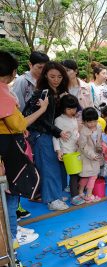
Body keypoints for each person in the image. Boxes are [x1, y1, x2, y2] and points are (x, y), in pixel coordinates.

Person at [0, 51, 48, 250]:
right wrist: (42, 109)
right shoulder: (4, 93)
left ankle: (11, 232)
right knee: (10, 194)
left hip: (7, 145)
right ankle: (10, 239)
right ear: (12, 73)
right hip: (8, 149)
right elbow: (19, 125)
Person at [23, 61, 70, 211]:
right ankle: (52, 200)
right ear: (45, 76)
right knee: (49, 167)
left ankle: (53, 195)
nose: (56, 80)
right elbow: (40, 119)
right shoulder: (44, 93)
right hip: (41, 135)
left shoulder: (52, 92)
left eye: (59, 77)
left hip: (46, 134)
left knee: (51, 166)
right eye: (52, 76)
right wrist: (58, 131)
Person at [53, 94, 84, 205]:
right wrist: (58, 150)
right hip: (66, 152)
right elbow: (55, 136)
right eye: (69, 108)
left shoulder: (74, 119)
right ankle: (74, 196)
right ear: (63, 108)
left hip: (75, 150)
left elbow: (75, 133)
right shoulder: (59, 120)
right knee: (73, 174)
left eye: (74, 108)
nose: (72, 111)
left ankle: (74, 190)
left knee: (76, 173)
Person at [77, 107, 103, 203]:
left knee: (86, 175)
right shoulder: (83, 131)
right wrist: (92, 155)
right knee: (93, 175)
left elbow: (99, 140)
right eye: (90, 122)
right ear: (84, 121)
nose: (93, 124)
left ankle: (80, 191)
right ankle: (88, 194)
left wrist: (100, 147)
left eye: (94, 121)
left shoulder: (99, 127)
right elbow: (82, 146)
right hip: (87, 156)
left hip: (95, 154)